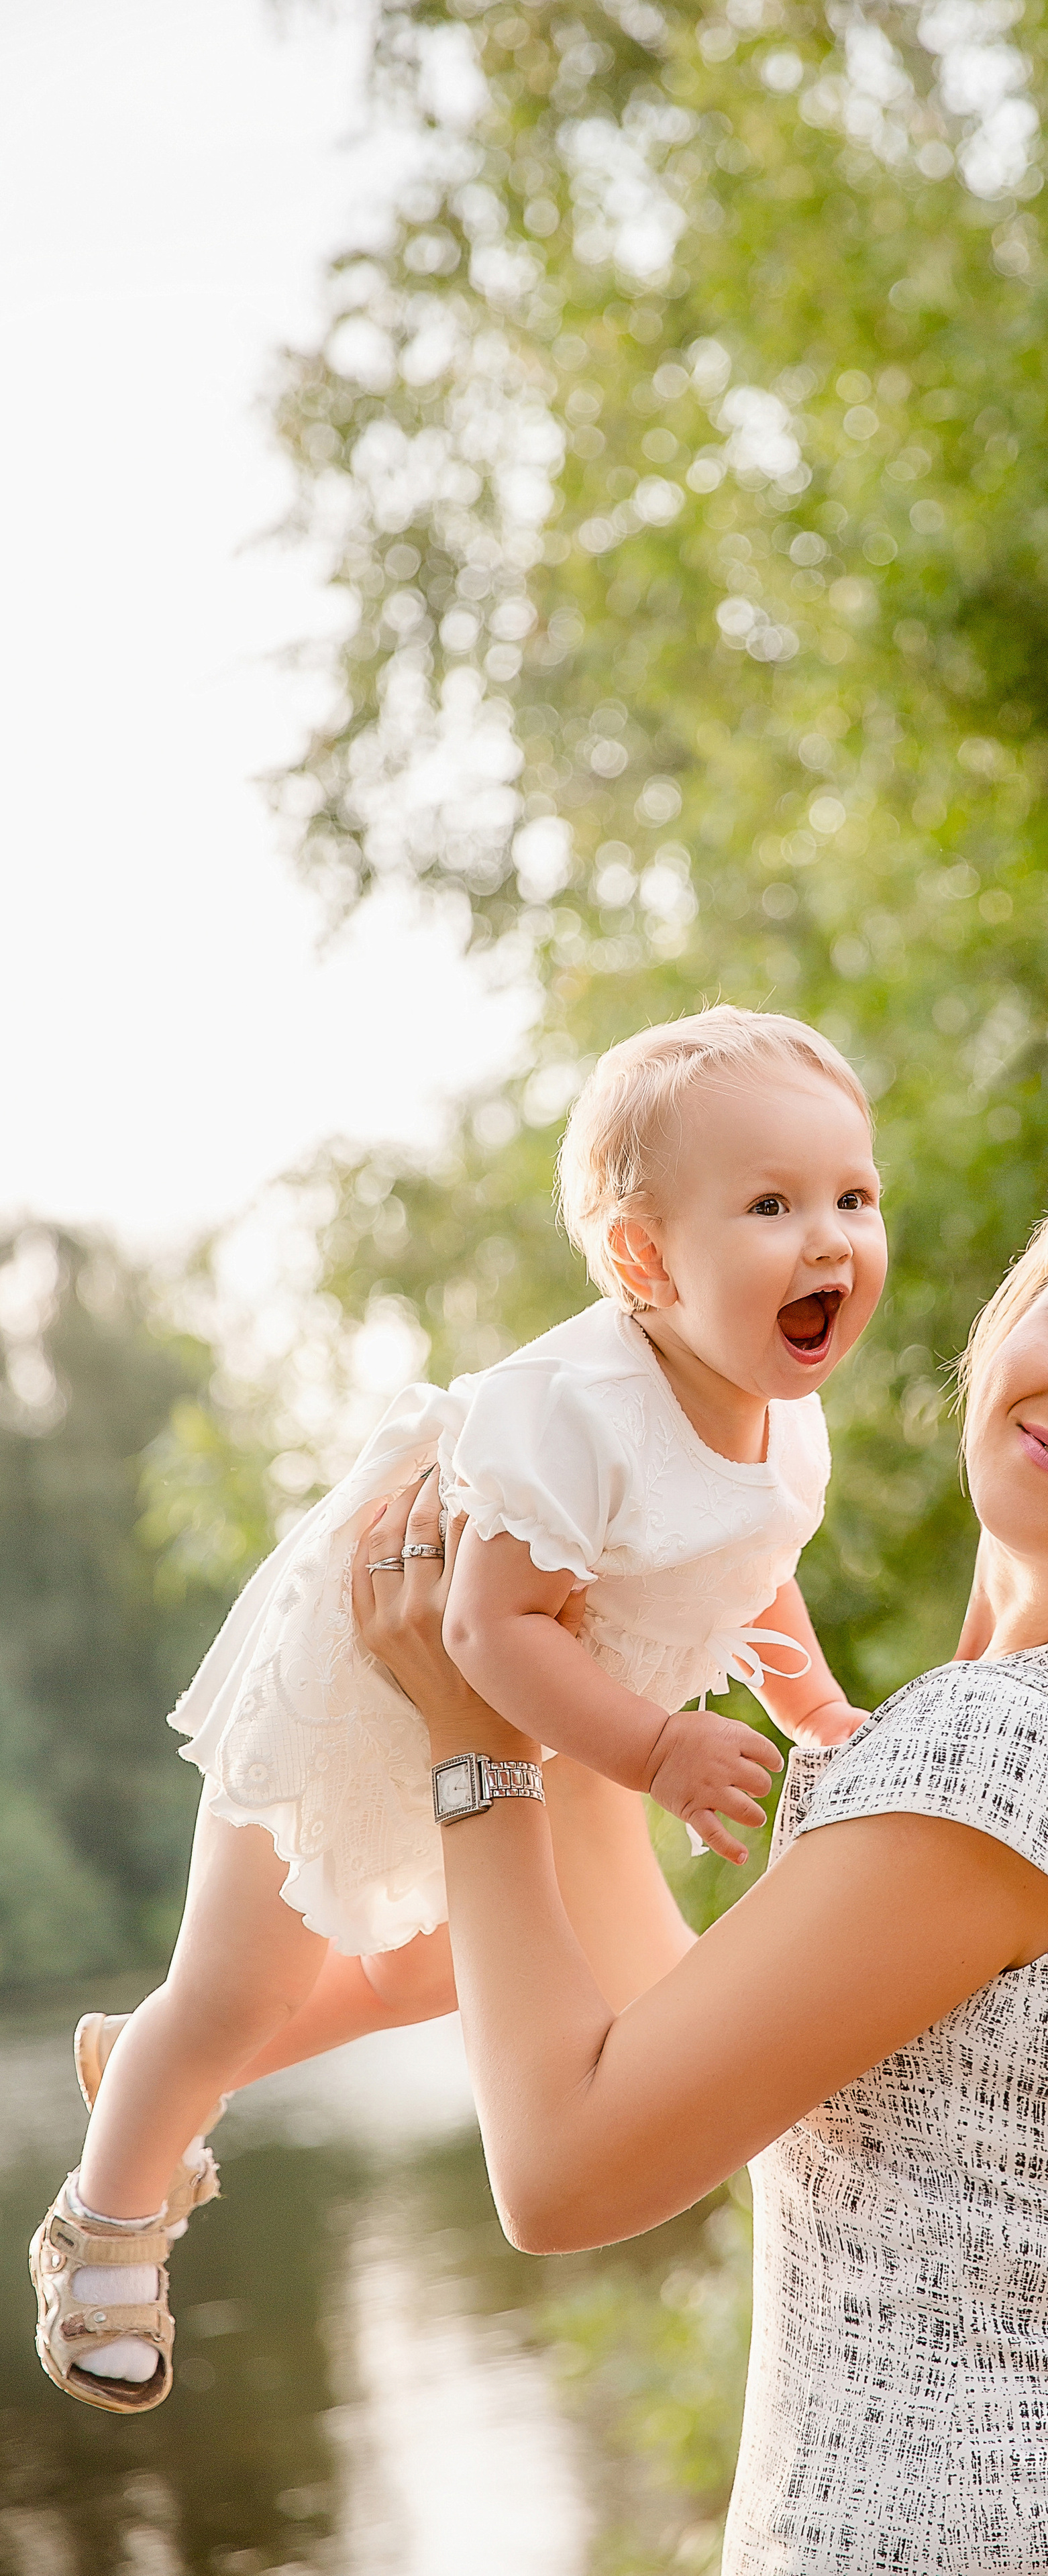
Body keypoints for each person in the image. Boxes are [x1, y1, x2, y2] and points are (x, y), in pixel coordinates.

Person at [349, 1137, 1048, 2574]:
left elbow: (561, 2177)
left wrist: (475, 1741)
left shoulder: (1018, 1752)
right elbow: (727, 2086)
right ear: (1012, 1315)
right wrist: (583, 1687)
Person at [32, 1006, 887, 2412]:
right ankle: (106, 2225)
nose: (830, 1241)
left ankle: (146, 2065)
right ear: (644, 1261)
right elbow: (485, 1627)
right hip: (358, 1692)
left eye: (853, 1197)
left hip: (508, 1711)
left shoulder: (783, 1420)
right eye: (771, 1206)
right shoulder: (575, 1414)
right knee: (238, 1989)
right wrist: (658, 1748)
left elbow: (753, 1568)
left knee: (431, 1976)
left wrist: (819, 1713)